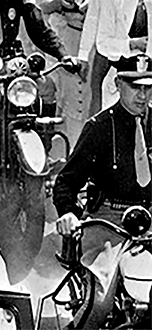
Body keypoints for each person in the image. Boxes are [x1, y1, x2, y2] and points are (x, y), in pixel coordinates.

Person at [53, 55, 152, 330]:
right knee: (100, 300)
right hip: (108, 221)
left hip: (150, 220)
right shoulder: (98, 127)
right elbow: (66, 182)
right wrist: (68, 214)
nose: (142, 95)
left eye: (148, 88)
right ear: (118, 84)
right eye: (134, 87)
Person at [77, 0, 137, 117]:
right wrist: (83, 56)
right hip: (108, 52)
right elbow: (92, 20)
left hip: (137, 50)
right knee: (100, 95)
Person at [41, 0, 98, 145]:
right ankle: (67, 144)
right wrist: (59, 2)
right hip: (70, 38)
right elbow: (43, 6)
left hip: (92, 42)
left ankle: (88, 143)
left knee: (89, 91)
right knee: (69, 92)